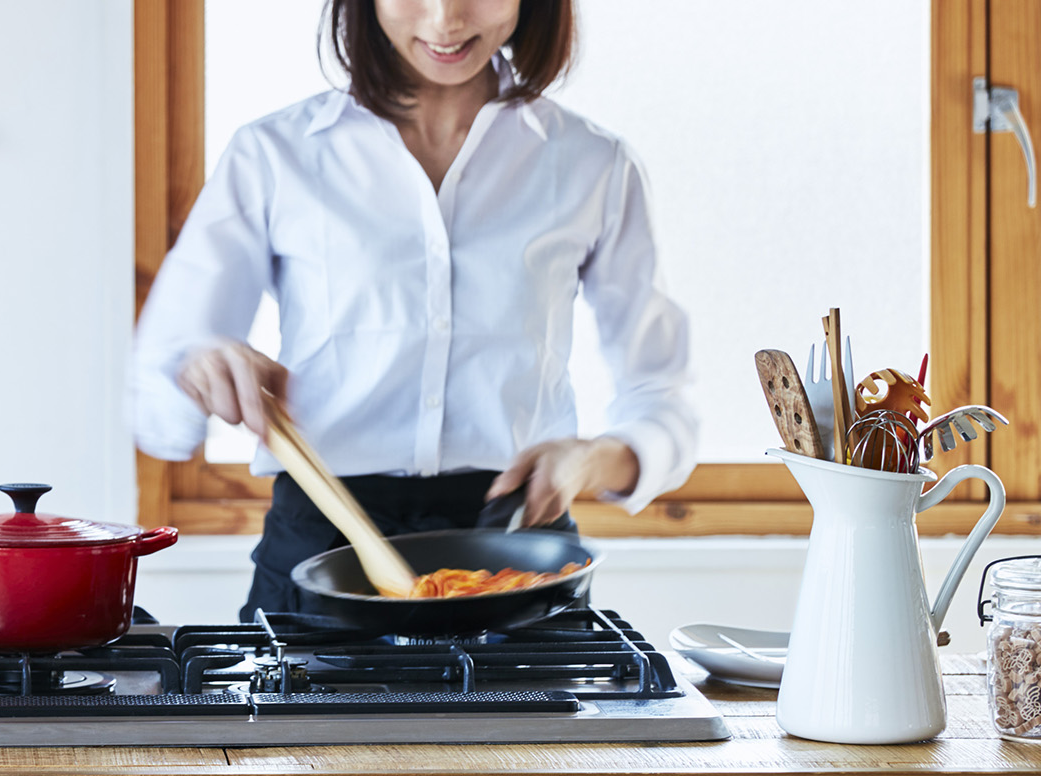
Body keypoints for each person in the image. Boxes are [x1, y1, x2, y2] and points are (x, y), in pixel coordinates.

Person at [131, 0, 695, 616]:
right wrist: (202, 366)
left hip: (513, 553)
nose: (445, 19)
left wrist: (587, 459)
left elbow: (663, 396)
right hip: (320, 546)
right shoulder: (273, 154)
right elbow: (159, 403)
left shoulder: (595, 164)